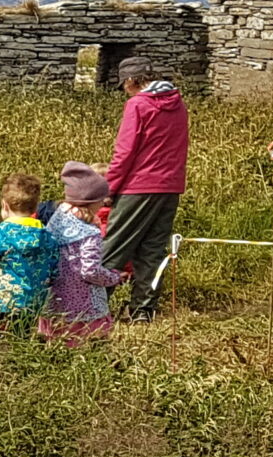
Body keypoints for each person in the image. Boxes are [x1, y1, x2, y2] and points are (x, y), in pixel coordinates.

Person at [100, 58, 189, 323]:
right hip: (170, 186)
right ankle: (142, 311)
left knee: (114, 247)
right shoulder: (178, 104)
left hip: (138, 185)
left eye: (124, 85)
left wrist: (110, 188)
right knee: (152, 249)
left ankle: (93, 306)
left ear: (131, 81)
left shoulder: (137, 105)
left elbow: (125, 152)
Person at [39, 162, 124, 345]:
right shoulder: (89, 233)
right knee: (88, 346)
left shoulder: (56, 221)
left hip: (54, 301)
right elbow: (90, 271)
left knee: (56, 348)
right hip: (85, 308)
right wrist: (113, 277)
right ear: (93, 202)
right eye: (102, 199)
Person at [0, 173, 57, 324]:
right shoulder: (46, 235)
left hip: (1, 301)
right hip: (34, 303)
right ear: (36, 206)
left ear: (5, 205)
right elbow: (54, 268)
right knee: (23, 336)